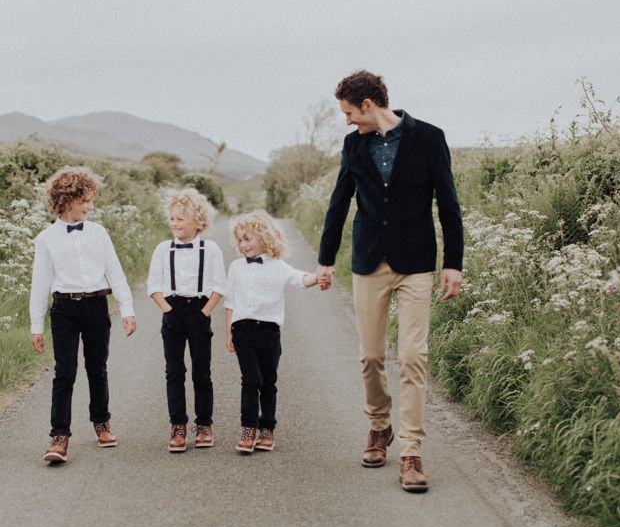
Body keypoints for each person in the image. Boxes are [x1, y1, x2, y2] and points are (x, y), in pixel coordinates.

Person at [316, 70, 464, 493]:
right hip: (369, 261)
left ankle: (412, 452)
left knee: (414, 356)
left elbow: (448, 203)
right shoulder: (353, 144)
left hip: (416, 261)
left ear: (368, 104)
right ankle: (379, 428)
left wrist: (454, 263)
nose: (346, 121)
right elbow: (339, 203)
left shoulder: (429, 138)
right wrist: (325, 260)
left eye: (348, 112)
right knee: (371, 356)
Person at [30, 165, 137, 463]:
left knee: (96, 368)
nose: (91, 206)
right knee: (64, 373)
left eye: (92, 200)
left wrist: (127, 308)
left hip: (96, 306)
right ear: (66, 201)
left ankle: (101, 421)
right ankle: (59, 435)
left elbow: (115, 273)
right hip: (64, 309)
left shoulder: (99, 233)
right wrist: (36, 326)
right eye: (85, 200)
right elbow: (39, 285)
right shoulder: (46, 239)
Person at [225, 210, 318, 453]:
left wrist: (318, 277)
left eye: (248, 239)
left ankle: (267, 429)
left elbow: (301, 279)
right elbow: (230, 302)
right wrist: (228, 333)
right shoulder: (235, 267)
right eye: (241, 240)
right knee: (251, 380)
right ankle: (248, 429)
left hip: (269, 332)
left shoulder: (278, 266)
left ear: (265, 237)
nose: (244, 245)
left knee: (268, 382)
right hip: (242, 330)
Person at [147, 188, 226, 452]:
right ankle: (177, 426)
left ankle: (204, 425)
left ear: (199, 222)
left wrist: (205, 312)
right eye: (171, 218)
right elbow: (153, 286)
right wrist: (167, 310)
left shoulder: (210, 249)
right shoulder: (162, 249)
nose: (174, 223)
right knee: (174, 372)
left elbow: (219, 286)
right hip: (173, 310)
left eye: (180, 219)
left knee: (202, 372)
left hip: (200, 310)